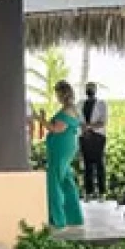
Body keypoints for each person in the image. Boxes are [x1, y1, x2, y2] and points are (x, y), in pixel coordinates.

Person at [43, 80, 84, 228]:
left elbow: (57, 129)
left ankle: (58, 218)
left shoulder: (67, 110)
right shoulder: (71, 108)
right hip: (65, 146)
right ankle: (73, 217)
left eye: (57, 93)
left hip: (61, 148)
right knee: (66, 180)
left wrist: (39, 119)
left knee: (54, 181)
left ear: (61, 93)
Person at [78, 81, 109, 198]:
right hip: (84, 136)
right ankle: (88, 192)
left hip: (98, 137)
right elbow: (77, 119)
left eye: (91, 88)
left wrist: (90, 126)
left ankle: (102, 193)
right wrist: (83, 127)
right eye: (87, 88)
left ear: (95, 90)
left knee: (99, 163)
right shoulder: (80, 103)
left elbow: (103, 121)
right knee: (87, 165)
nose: (89, 90)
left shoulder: (101, 104)